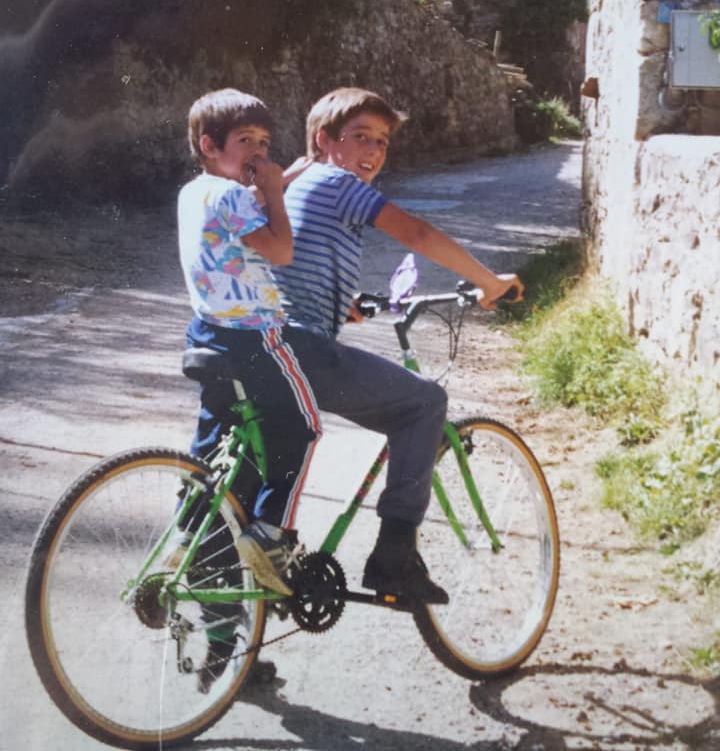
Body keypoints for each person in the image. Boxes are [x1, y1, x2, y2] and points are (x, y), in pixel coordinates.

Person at [273, 87, 524, 605]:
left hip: (266, 347)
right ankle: (394, 558)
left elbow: (296, 261)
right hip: (302, 352)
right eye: (359, 136)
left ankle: (228, 650)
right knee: (423, 403)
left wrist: (342, 302)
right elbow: (416, 232)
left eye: (382, 142)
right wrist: (489, 281)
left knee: (253, 507)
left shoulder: (302, 186)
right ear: (324, 141)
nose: (372, 151)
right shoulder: (338, 182)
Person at [177, 87, 321, 689]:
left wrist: (274, 179)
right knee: (303, 429)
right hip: (255, 339)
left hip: (208, 331)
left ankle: (222, 639)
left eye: (265, 144)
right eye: (247, 145)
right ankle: (271, 535)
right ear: (210, 147)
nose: (259, 154)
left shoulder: (196, 191)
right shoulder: (237, 194)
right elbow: (280, 249)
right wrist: (279, 195)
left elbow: (237, 214)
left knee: (216, 480)